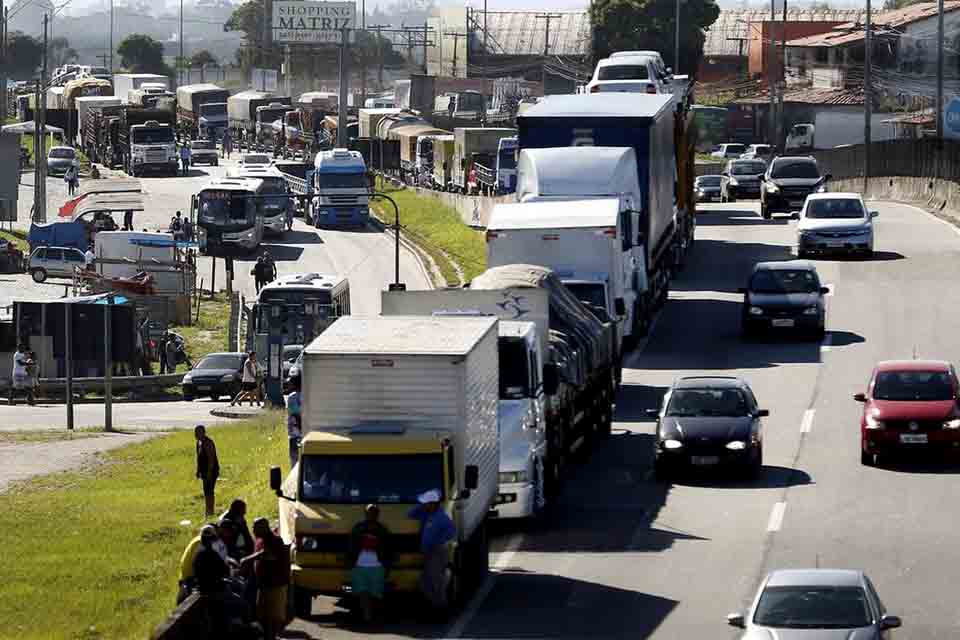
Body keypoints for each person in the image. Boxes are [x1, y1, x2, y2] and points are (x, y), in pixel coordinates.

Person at [408, 489, 456, 616]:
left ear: (434, 504)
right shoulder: (426, 514)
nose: (424, 505)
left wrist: (438, 542)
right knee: (425, 582)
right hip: (428, 552)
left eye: (426, 503)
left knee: (436, 582)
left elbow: (451, 532)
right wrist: (421, 506)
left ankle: (440, 609)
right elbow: (410, 514)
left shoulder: (441, 517)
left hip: (437, 552)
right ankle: (435, 605)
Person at [241, 518, 290, 640]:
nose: (253, 530)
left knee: (273, 617)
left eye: (255, 527)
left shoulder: (275, 540)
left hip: (275, 585)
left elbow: (267, 554)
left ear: (263, 527)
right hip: (263, 585)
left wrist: (246, 560)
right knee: (262, 616)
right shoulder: (260, 539)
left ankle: (272, 636)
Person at [349, 504, 393, 622]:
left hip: (377, 566)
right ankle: (366, 616)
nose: (371, 515)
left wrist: (387, 566)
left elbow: (388, 549)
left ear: (377, 515)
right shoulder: (358, 528)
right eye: (369, 513)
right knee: (363, 592)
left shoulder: (382, 530)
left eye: (373, 513)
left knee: (375, 594)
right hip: (360, 565)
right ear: (365, 514)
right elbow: (352, 546)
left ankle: (372, 615)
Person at [195, 425, 220, 517]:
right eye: (195, 433)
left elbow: (211, 459)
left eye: (198, 432)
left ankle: (210, 512)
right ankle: (208, 511)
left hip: (211, 470)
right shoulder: (199, 443)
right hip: (204, 470)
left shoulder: (208, 443)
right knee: (206, 491)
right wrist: (198, 471)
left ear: (203, 433)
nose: (196, 435)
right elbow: (198, 458)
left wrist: (209, 473)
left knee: (209, 491)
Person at [286, 379, 302, 469]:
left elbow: (295, 414)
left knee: (294, 462)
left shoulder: (292, 397)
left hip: (295, 434)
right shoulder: (307, 395)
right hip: (306, 433)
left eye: (290, 382)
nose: (288, 384)